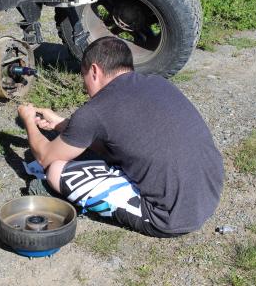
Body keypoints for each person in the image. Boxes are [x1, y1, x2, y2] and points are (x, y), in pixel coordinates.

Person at [17, 36, 223, 238]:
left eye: (84, 76)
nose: (85, 86)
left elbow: (45, 157)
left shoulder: (95, 110)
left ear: (94, 71)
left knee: (56, 172)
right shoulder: (158, 83)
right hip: (209, 193)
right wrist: (62, 125)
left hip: (169, 217)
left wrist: (28, 120)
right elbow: (118, 142)